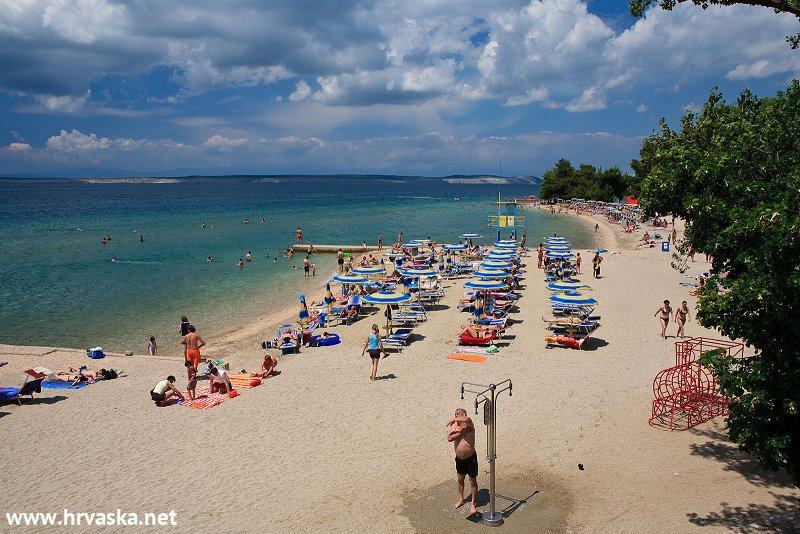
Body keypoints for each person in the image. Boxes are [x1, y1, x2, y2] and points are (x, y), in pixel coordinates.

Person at [447, 408, 478, 515]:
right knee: (460, 479)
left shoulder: (469, 423)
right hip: (459, 459)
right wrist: (461, 433)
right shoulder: (455, 426)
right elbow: (449, 438)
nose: (456, 416)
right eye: (455, 414)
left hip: (470, 458)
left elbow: (467, 419)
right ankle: (461, 499)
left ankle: (473, 503)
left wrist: (454, 419)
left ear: (464, 414)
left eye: (458, 414)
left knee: (472, 481)